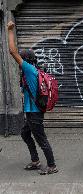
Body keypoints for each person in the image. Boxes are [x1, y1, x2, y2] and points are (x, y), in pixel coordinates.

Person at [7, 21, 58, 175]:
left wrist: (10, 31)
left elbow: (12, 51)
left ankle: (52, 166)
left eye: (21, 60)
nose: (19, 63)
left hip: (34, 113)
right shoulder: (29, 72)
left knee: (41, 138)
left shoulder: (29, 70)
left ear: (26, 61)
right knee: (25, 134)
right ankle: (35, 161)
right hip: (31, 111)